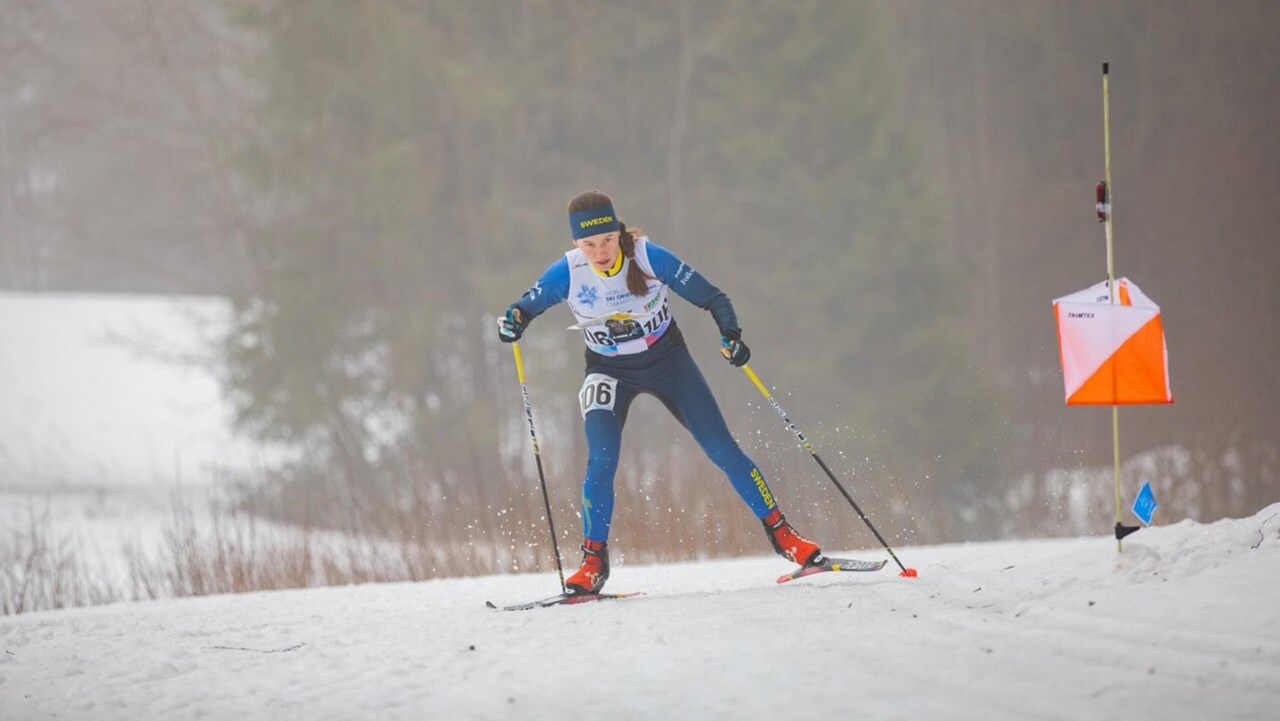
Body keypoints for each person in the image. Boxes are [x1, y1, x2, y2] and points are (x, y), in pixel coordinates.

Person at [496, 189, 825, 594]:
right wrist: (511, 323)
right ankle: (593, 563)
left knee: (722, 450)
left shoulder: (649, 258)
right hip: (608, 371)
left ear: (618, 232)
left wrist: (732, 336)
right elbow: (521, 310)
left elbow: (714, 298)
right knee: (601, 460)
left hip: (669, 363)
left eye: (606, 240)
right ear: (576, 244)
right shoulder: (567, 272)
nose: (599, 252)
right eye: (588, 244)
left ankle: (785, 536)